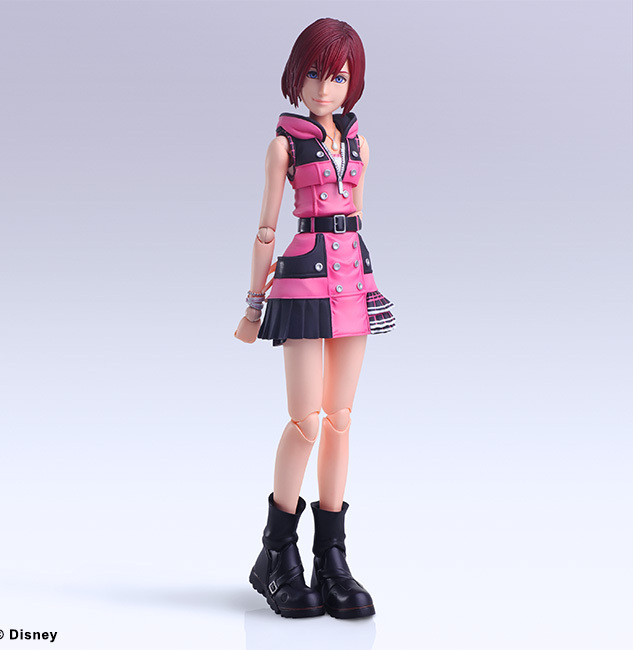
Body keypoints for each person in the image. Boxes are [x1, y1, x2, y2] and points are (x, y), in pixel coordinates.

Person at [234, 17, 395, 619]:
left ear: (354, 83)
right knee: (305, 421)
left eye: (339, 77)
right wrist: (254, 305)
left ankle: (332, 556)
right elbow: (266, 228)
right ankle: (277, 551)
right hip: (303, 279)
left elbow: (357, 214)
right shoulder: (284, 145)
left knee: (341, 419)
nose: (325, 89)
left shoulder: (359, 144)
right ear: (296, 76)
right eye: (314, 74)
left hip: (352, 277)